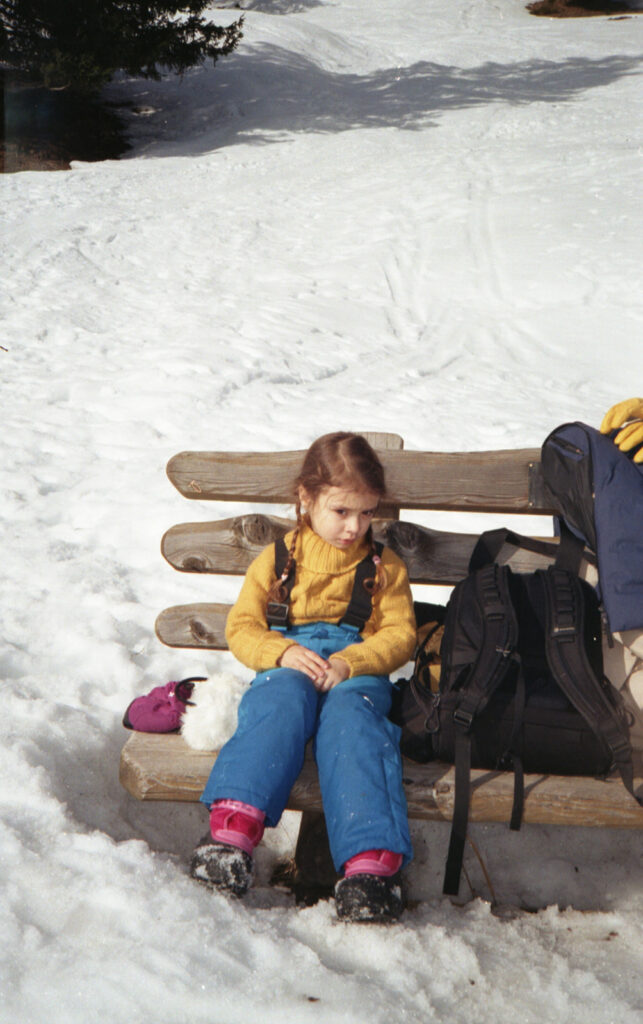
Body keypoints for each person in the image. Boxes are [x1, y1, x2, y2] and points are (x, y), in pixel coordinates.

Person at [190, 432, 417, 922]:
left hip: (354, 671)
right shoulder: (275, 561)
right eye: (341, 511)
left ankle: (370, 862)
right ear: (306, 498)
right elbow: (243, 628)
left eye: (366, 513)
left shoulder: (384, 569)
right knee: (275, 704)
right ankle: (233, 830)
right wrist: (281, 650)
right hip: (288, 664)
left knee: (355, 723)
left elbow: (400, 635)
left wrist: (351, 662)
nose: (354, 526)